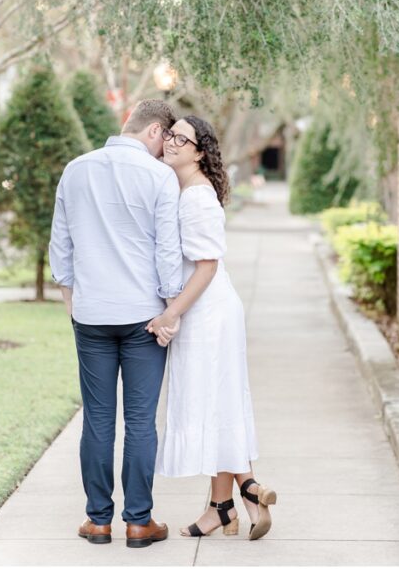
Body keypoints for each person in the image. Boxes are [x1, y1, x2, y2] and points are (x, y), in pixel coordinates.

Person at [49, 99, 183, 548]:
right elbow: (167, 254)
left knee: (98, 419)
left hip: (91, 315)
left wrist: (73, 303)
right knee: (141, 420)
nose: (169, 150)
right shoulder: (160, 176)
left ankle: (99, 520)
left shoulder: (76, 169)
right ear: (155, 132)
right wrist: (170, 311)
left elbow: (60, 248)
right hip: (145, 316)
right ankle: (140, 522)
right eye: (168, 140)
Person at [147, 115, 277, 540]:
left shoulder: (197, 197)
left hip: (208, 312)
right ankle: (231, 501)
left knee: (213, 405)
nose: (171, 143)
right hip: (204, 309)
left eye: (182, 138)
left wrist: (171, 314)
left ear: (200, 151)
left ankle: (239, 495)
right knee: (217, 405)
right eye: (169, 134)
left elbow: (206, 267)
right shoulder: (184, 189)